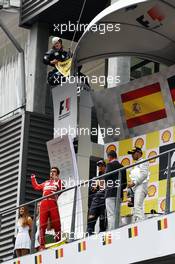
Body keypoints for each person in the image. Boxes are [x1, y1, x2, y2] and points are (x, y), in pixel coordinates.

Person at [31, 167, 64, 250]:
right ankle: (42, 245)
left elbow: (62, 189)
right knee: (42, 225)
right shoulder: (46, 182)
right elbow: (37, 187)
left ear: (57, 174)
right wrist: (33, 178)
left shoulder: (58, 182)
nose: (52, 173)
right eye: (51, 171)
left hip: (52, 202)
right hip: (44, 203)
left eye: (54, 172)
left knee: (57, 224)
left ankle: (58, 241)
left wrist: (57, 179)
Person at [105, 150, 127, 231]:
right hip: (119, 194)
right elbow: (124, 184)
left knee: (111, 214)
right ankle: (119, 230)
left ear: (110, 157)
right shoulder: (122, 167)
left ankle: (112, 231)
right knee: (117, 213)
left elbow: (106, 178)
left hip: (110, 193)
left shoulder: (109, 165)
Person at [127, 147, 150, 222]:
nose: (132, 156)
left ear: (139, 153)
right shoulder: (136, 164)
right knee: (135, 209)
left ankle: (143, 226)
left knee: (137, 207)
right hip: (136, 188)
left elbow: (144, 174)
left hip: (141, 186)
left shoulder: (144, 161)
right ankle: (137, 225)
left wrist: (134, 183)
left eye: (133, 153)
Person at [87, 160, 107, 235]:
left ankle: (102, 238)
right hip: (95, 201)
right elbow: (91, 189)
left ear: (105, 166)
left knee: (102, 223)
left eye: (101, 165)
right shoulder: (95, 178)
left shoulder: (109, 176)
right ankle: (89, 237)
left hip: (104, 200)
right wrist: (95, 186)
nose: (100, 167)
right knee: (90, 221)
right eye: (99, 166)